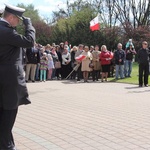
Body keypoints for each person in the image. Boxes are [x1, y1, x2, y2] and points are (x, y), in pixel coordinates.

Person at [0, 4, 35, 150]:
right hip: (8, 79)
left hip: (3, 79)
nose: (19, 23)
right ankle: (7, 146)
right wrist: (29, 26)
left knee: (3, 115)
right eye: (18, 20)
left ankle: (7, 144)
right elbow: (29, 41)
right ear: (12, 17)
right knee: (8, 114)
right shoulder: (6, 31)